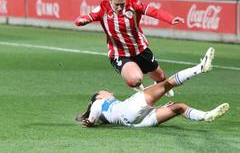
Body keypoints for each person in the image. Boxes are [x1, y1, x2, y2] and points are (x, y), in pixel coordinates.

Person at [74, 0, 184, 97]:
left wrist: (170, 19)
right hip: (119, 54)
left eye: (122, 4)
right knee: (135, 79)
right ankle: (137, 85)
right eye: (117, 5)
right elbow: (87, 17)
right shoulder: (103, 8)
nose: (120, 7)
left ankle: (159, 83)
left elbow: (153, 11)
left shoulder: (133, 3)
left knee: (161, 77)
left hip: (140, 49)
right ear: (110, 0)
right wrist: (81, 21)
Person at [75, 47, 230, 128]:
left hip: (136, 123)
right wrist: (90, 120)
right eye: (105, 92)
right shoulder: (99, 103)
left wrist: (91, 122)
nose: (110, 92)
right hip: (131, 109)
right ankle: (200, 68)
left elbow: (95, 119)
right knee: (167, 84)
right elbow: (93, 113)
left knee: (179, 108)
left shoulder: (108, 111)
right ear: (98, 96)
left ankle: (205, 116)